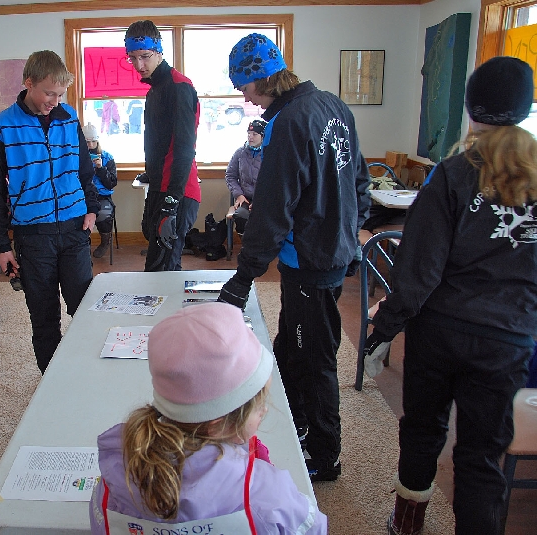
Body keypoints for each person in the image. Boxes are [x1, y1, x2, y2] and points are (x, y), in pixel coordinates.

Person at [362, 57, 537, 535]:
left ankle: (407, 525)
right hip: (509, 339)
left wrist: (384, 329)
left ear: (471, 110)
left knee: (421, 432)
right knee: (482, 456)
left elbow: (419, 269)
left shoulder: (454, 173)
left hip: (439, 332)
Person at [217, 34, 371, 482]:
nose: (243, 97)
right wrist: (350, 236)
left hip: (310, 260)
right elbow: (360, 182)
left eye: (242, 87)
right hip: (330, 251)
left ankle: (326, 455)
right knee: (289, 345)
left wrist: (243, 278)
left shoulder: (288, 122)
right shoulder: (333, 106)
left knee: (315, 358)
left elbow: (273, 207)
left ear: (259, 78)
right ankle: (299, 427)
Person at [89, 302, 327, 533]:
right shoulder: (268, 494)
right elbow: (312, 528)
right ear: (217, 425)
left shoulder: (114, 476)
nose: (264, 411)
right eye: (259, 406)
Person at [0, 50, 99, 375]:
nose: (54, 100)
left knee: (84, 308)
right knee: (44, 317)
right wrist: (1, 245)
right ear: (28, 83)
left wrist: (91, 207)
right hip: (33, 239)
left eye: (60, 94)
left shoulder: (69, 117)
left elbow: (84, 168)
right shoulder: (2, 126)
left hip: (75, 230)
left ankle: (86, 373)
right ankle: (52, 382)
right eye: (49, 93)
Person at [125, 20, 201, 272]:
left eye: (145, 56)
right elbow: (159, 142)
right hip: (160, 185)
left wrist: (171, 203)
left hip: (178, 190)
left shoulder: (179, 87)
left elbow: (184, 148)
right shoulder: (154, 90)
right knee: (162, 264)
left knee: (159, 273)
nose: (139, 65)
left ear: (159, 51)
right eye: (132, 58)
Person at [82, 123, 118, 258]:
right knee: (76, 215)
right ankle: (82, 244)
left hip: (102, 196)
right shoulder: (77, 157)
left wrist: (101, 169)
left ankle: (105, 242)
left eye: (93, 141)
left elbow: (111, 184)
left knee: (103, 214)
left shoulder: (107, 157)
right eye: (87, 142)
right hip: (82, 195)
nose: (90, 145)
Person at [225, 119, 267, 234]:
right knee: (241, 217)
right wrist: (239, 195)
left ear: (263, 136)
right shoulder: (240, 153)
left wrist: (260, 200)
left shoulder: (270, 153)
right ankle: (247, 248)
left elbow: (275, 180)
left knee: (264, 219)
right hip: (245, 198)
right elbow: (230, 176)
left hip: (265, 198)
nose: (250, 137)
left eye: (254, 134)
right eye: (248, 133)